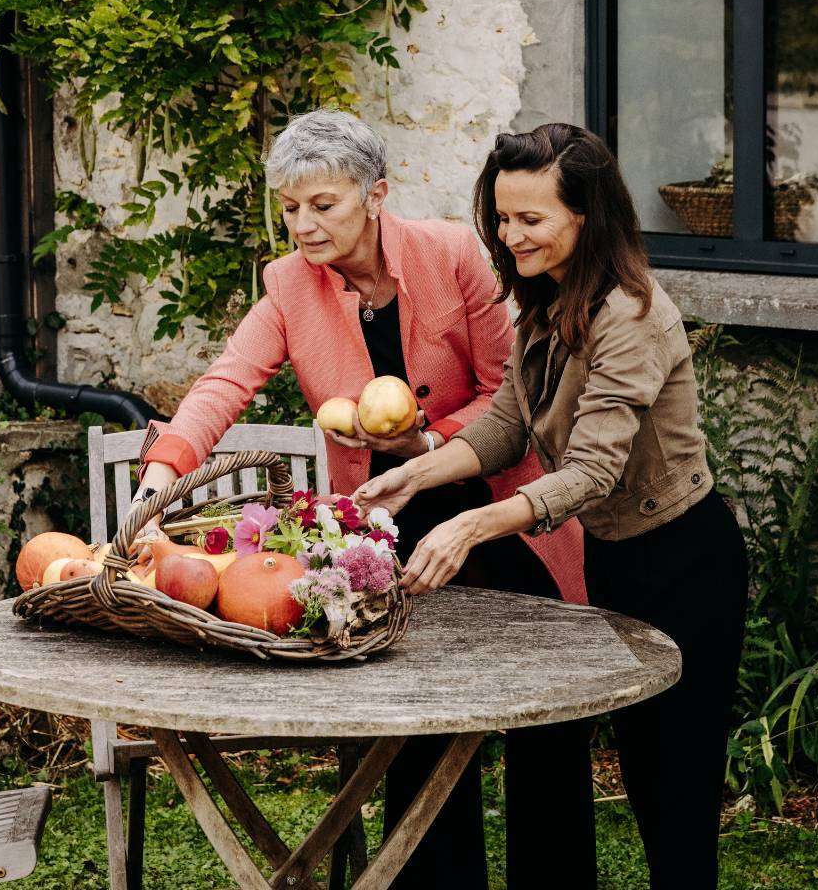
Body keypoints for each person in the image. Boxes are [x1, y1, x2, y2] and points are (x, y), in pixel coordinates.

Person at [130, 109, 588, 889]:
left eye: (323, 205)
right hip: (393, 524)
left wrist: (432, 442)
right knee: (415, 713)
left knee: (545, 709)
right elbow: (225, 383)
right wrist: (164, 465)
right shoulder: (288, 285)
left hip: (498, 506)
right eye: (289, 208)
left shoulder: (452, 256)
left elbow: (513, 392)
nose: (303, 225)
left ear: (375, 194)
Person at [354, 123, 749, 889]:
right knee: (641, 770)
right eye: (503, 217)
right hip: (617, 559)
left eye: (531, 219)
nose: (510, 235)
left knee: (676, 795)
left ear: (587, 217)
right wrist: (418, 474)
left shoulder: (631, 317)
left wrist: (475, 523)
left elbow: (594, 470)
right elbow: (507, 423)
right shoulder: (547, 300)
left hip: (686, 562)